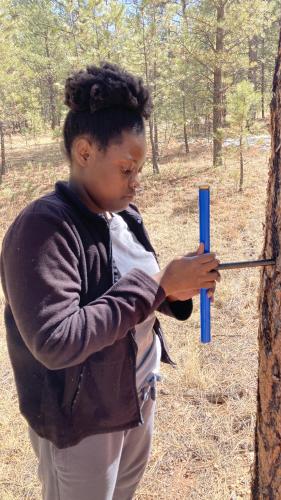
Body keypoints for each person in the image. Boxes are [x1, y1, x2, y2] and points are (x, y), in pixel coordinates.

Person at [0, 61, 221, 500]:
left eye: (138, 170)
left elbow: (132, 290)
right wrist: (157, 285)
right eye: (126, 169)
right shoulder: (43, 228)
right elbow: (55, 340)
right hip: (80, 421)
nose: (136, 182)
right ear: (84, 152)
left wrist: (179, 287)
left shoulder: (122, 215)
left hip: (134, 396)